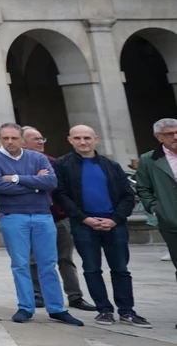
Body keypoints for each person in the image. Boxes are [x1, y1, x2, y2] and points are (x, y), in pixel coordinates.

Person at [0, 122, 80, 325]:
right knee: (20, 264)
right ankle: (26, 307)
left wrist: (16, 178)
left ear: (21, 139)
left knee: (48, 263)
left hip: (42, 215)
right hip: (12, 216)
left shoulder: (37, 157)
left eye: (14, 138)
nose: (10, 142)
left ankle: (56, 308)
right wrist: (33, 184)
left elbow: (51, 183)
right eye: (5, 138)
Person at [54, 124, 145, 326]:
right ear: (70, 140)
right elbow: (61, 195)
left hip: (115, 224)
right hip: (84, 225)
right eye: (77, 138)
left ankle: (127, 310)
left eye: (87, 138)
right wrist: (84, 218)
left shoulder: (111, 165)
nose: (82, 142)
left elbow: (128, 195)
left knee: (120, 268)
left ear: (96, 139)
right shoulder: (62, 165)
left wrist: (114, 219)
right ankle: (103, 309)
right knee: (92, 268)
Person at [25, 127, 96, 312]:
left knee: (66, 259)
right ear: (22, 142)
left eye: (42, 138)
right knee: (33, 258)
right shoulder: (19, 165)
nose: (40, 142)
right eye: (35, 139)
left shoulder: (54, 163)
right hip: (34, 218)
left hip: (59, 218)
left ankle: (75, 296)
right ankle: (36, 294)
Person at [135, 117, 177, 299]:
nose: (175, 137)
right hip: (171, 220)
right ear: (158, 137)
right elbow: (143, 188)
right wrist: (155, 208)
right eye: (169, 134)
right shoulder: (149, 159)